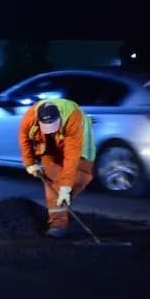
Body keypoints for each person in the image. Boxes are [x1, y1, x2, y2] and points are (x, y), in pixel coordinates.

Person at [18, 98, 96, 238]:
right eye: (46, 127)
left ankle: (64, 197)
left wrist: (66, 187)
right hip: (47, 142)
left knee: (82, 173)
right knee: (53, 179)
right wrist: (29, 163)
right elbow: (24, 138)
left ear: (59, 117)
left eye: (53, 126)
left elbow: (71, 158)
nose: (50, 131)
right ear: (39, 120)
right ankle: (57, 224)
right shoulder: (29, 118)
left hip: (76, 137)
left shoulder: (73, 119)